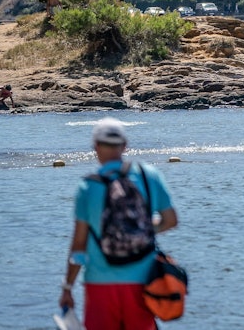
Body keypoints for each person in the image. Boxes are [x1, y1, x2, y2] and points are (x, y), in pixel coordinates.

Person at [59, 117, 178, 330]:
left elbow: (79, 246)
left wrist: (68, 287)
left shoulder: (87, 187)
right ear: (125, 146)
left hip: (100, 283)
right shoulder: (149, 176)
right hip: (143, 281)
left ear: (96, 146)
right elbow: (171, 221)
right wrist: (142, 228)